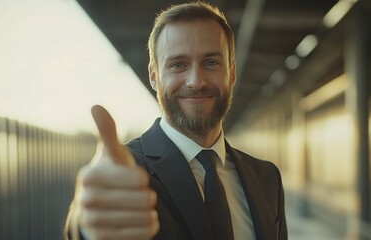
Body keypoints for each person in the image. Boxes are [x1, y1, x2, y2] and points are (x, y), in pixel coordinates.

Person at [65, 2, 287, 240]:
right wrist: (86, 225)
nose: (196, 81)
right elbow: (89, 221)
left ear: (232, 73)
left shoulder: (266, 178)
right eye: (178, 64)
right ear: (154, 77)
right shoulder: (128, 171)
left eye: (211, 62)